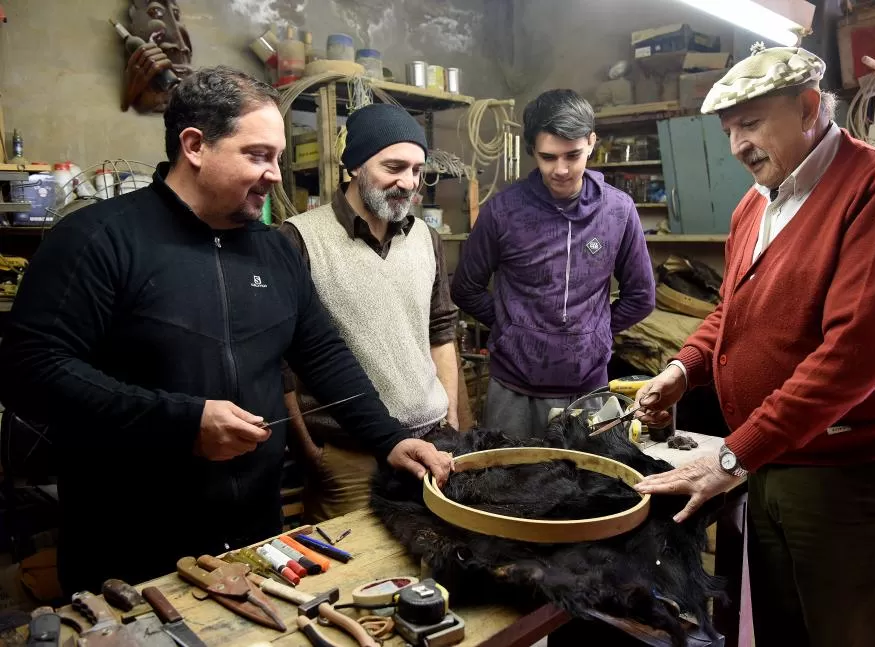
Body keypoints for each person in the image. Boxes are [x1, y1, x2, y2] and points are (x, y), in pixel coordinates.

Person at [0, 66, 452, 594]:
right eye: (258, 155)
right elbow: (30, 372)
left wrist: (388, 438)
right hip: (131, 542)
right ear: (195, 145)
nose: (277, 175)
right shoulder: (98, 240)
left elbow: (323, 355)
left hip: (251, 535)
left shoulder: (274, 251)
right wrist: (182, 422)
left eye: (279, 158)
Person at [633, 45, 875, 647]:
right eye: (728, 131)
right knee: (782, 633)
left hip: (850, 474)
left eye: (750, 124)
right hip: (773, 460)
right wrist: (682, 370)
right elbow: (732, 312)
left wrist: (730, 457)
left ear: (807, 107)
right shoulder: (755, 204)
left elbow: (852, 356)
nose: (738, 145)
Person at [278, 103, 460, 521]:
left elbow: (441, 329)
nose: (408, 183)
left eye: (417, 170)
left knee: (429, 560)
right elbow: (281, 358)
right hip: (347, 453)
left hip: (430, 441)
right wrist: (307, 448)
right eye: (393, 166)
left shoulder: (425, 239)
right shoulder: (300, 239)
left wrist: (450, 415)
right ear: (355, 165)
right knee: (352, 571)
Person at [450, 89, 655, 439]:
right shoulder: (502, 213)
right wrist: (512, 328)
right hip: (513, 389)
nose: (561, 169)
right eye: (548, 157)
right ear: (532, 150)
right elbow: (465, 288)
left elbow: (640, 296)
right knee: (510, 483)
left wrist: (596, 333)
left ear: (591, 142)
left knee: (594, 483)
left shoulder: (618, 211)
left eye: (572, 155)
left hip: (590, 389)